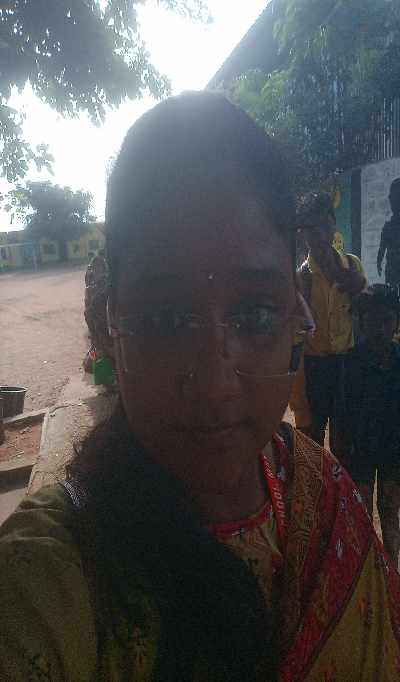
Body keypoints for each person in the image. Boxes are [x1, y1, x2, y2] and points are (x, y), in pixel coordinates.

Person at [0, 93, 399, 682]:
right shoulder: (45, 585)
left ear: (296, 316)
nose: (215, 386)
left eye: (256, 315)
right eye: (165, 321)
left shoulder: (329, 508)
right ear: (111, 329)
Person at [335, 284, 400, 570]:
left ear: (396, 322)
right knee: (359, 516)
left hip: (393, 452)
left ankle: (391, 573)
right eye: (373, 321)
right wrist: (340, 454)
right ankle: (363, 573)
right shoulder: (351, 362)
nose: (380, 329)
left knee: (390, 514)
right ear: (362, 322)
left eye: (387, 320)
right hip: (359, 451)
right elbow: (341, 411)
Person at [296, 193, 366, 448]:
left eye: (325, 226)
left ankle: (342, 473)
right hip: (315, 367)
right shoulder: (301, 277)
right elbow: (296, 331)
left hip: (348, 363)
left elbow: (365, 312)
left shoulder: (353, 266)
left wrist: (355, 286)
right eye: (312, 229)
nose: (320, 236)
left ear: (333, 225)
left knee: (345, 437)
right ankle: (312, 474)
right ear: (303, 234)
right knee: (311, 437)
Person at [377, 178, 400, 293]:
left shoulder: (388, 227)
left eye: (395, 198)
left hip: (392, 269)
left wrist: (379, 261)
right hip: (392, 270)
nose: (391, 201)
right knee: (392, 295)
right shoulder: (388, 227)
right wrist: (379, 261)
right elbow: (382, 247)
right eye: (392, 198)